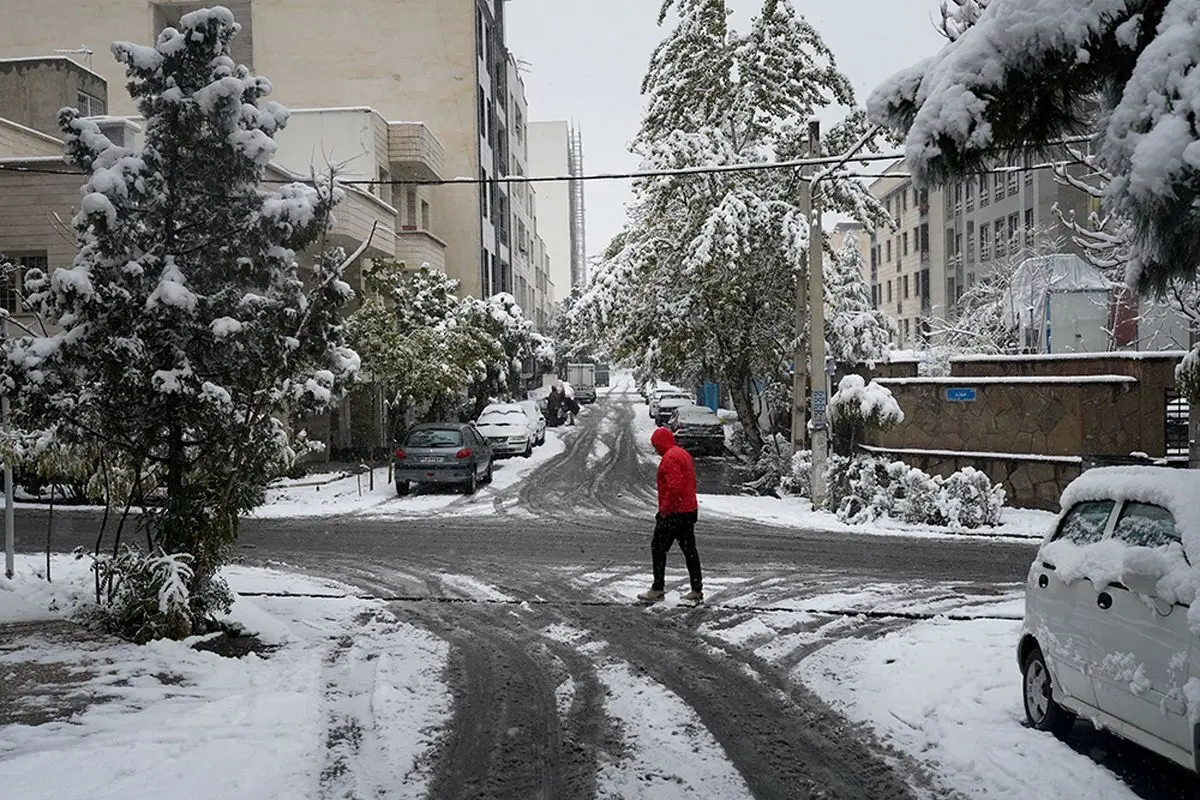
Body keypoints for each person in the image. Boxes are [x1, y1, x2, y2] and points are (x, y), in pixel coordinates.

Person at [638, 427, 703, 603]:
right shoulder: (682, 454)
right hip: (688, 510)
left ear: (661, 443)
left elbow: (675, 488)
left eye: (655, 446)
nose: (656, 450)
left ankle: (658, 588)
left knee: (658, 549)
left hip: (674, 513)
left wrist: (665, 510)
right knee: (689, 550)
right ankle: (696, 589)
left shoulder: (669, 459)